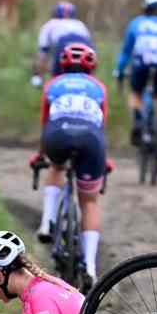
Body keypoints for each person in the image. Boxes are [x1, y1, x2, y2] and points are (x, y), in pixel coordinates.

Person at [32, 43, 109, 282]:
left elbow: (46, 123)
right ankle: (90, 268)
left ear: (62, 65)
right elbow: (100, 125)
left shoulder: (52, 84)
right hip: (91, 139)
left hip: (58, 134)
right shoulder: (99, 87)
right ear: (92, 67)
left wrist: (40, 155)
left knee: (56, 166)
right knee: (89, 201)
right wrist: (104, 160)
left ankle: (47, 223)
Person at [114, 0, 157, 157]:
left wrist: (120, 70)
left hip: (141, 64)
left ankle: (138, 121)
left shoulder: (136, 23)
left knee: (136, 92)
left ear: (146, 8)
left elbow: (126, 51)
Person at [31, 2, 94, 87]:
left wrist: (38, 75)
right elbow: (91, 48)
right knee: (87, 79)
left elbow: (42, 53)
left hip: (63, 45)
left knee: (57, 81)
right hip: (84, 47)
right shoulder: (80, 24)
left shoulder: (50, 23)